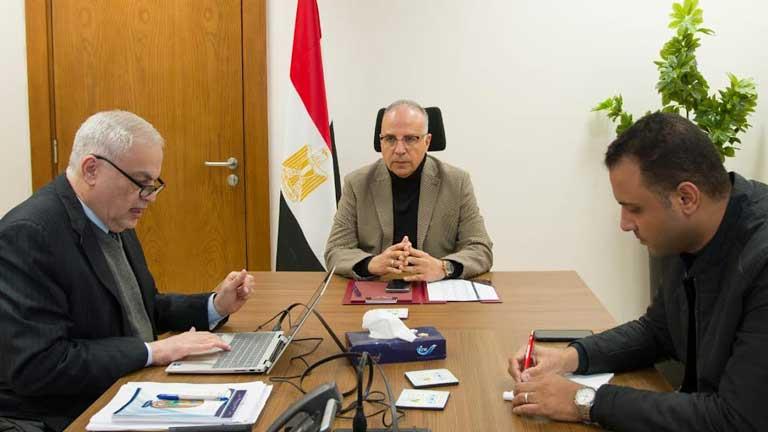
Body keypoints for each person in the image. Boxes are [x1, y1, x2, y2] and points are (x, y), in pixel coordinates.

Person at [507, 112, 768, 431]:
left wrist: (585, 402)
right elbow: (658, 331)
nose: (624, 224)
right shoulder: (687, 235)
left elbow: (738, 419)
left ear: (686, 198)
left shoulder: (761, 259)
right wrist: (569, 358)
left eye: (635, 208)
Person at [0, 111, 255, 431]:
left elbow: (142, 308)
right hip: (63, 415)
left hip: (128, 389)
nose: (150, 197)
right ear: (91, 169)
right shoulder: (29, 234)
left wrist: (214, 306)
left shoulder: (112, 216)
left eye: (154, 185)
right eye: (141, 183)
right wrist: (152, 351)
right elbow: (40, 365)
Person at [325, 99, 492, 281]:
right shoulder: (357, 183)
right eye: (390, 139)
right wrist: (371, 264)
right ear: (380, 141)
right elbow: (336, 250)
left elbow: (480, 248)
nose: (399, 150)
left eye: (410, 139)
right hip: (377, 287)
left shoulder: (456, 182)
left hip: (435, 289)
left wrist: (444, 267)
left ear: (427, 141)